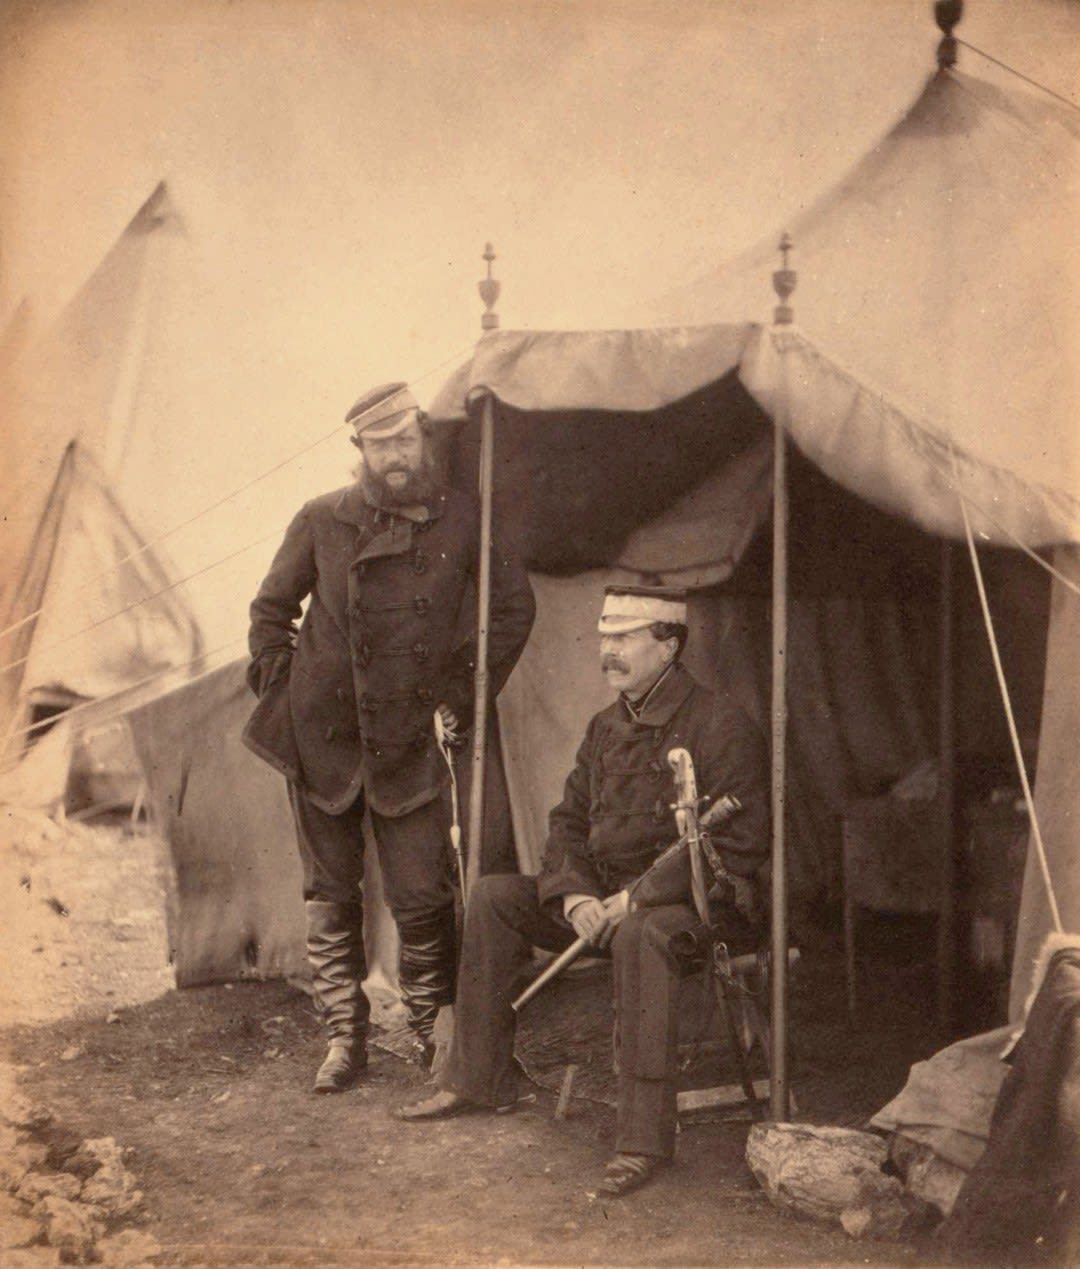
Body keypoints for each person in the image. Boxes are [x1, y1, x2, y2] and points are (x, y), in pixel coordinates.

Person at [397, 583, 769, 1197]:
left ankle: (642, 1140)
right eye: (604, 637)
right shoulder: (603, 728)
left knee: (643, 933)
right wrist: (575, 898)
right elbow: (568, 823)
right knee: (493, 897)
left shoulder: (721, 724)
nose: (607, 651)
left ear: (669, 646)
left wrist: (638, 898)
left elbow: (740, 843)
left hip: (696, 910)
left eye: (624, 637)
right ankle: (476, 1080)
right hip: (604, 906)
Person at [244, 382, 535, 1091]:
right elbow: (270, 611)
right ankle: (344, 1038)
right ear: (359, 451)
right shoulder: (321, 518)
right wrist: (286, 690)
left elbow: (512, 608)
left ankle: (430, 1031)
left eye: (405, 440)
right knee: (329, 892)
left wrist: (463, 689)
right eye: (380, 446)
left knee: (422, 893)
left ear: (423, 438)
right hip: (325, 739)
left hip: (411, 738)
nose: (395, 457)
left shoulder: (463, 518)